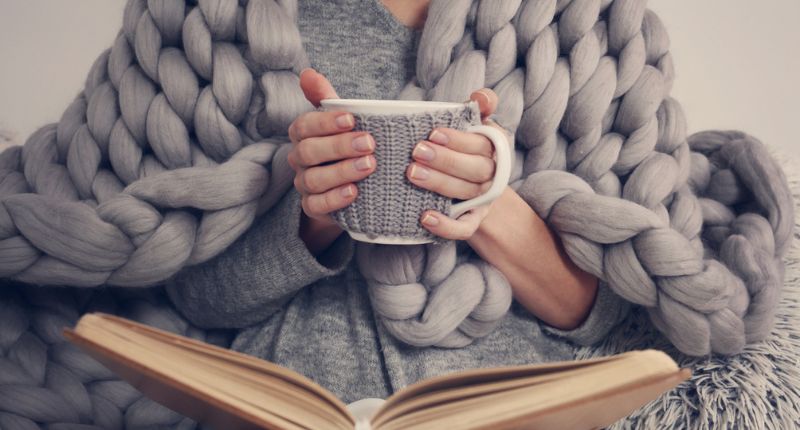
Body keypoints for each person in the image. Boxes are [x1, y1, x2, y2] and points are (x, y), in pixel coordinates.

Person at [166, 0, 631, 404]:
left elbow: (604, 314)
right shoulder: (225, 20)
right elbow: (199, 302)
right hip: (289, 403)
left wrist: (487, 199)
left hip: (511, 408)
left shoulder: (584, 23)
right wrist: (323, 213)